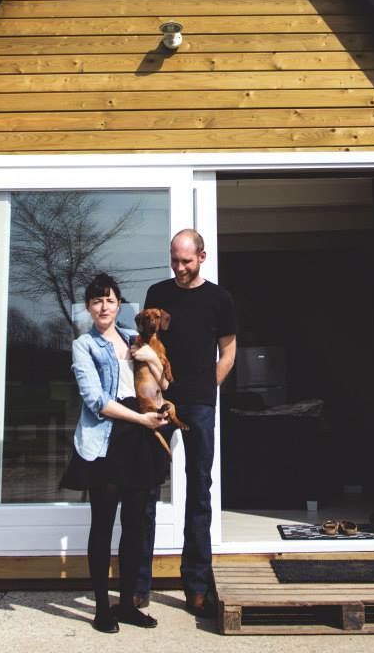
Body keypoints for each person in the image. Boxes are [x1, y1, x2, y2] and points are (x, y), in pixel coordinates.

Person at [135, 229, 237, 617]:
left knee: (199, 492)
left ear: (202, 257)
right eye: (174, 260)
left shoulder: (219, 299)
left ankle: (196, 585)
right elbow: (147, 346)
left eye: (186, 261)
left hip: (199, 405)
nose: (179, 268)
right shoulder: (157, 294)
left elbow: (228, 351)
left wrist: (207, 388)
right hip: (158, 400)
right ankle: (138, 586)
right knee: (145, 488)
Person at [64, 273, 170, 633]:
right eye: (96, 301)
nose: (104, 306)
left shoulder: (136, 339)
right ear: (89, 307)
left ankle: (126, 604)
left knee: (137, 526)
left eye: (109, 300)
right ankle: (101, 609)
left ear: (120, 304)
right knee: (104, 525)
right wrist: (142, 418)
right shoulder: (84, 346)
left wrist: (150, 360)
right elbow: (95, 401)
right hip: (108, 438)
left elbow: (166, 383)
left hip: (141, 437)